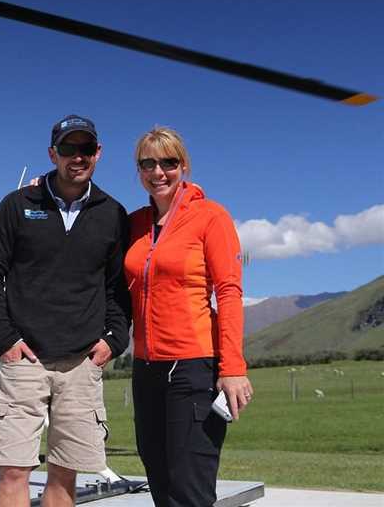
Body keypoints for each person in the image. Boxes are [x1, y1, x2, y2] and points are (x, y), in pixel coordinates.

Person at [0, 114, 131, 507]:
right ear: (52, 154)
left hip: (81, 363)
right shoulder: (17, 205)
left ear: (98, 154)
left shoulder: (112, 214)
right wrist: (5, 339)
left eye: (85, 149)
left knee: (65, 473)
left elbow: (117, 286)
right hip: (23, 359)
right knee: (12, 468)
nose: (76, 157)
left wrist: (114, 340)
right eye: (68, 149)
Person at [124, 126, 253, 507]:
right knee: (159, 482)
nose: (158, 171)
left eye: (169, 162)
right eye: (148, 163)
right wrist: (43, 192)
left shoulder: (211, 217)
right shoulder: (134, 224)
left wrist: (233, 367)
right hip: (146, 370)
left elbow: (228, 291)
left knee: (190, 489)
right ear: (139, 170)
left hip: (194, 368)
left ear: (184, 166)